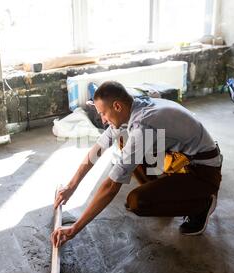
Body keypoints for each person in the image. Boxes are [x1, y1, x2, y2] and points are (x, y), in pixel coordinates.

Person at [51, 81, 222, 248]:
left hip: (202, 171)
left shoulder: (144, 124)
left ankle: (203, 205)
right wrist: (71, 186)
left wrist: (74, 229)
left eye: (103, 113)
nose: (102, 120)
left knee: (138, 202)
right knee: (126, 144)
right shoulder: (132, 108)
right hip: (181, 159)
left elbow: (111, 186)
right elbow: (97, 150)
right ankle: (164, 195)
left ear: (117, 106)